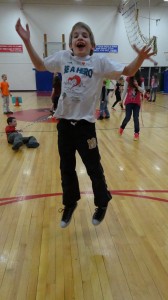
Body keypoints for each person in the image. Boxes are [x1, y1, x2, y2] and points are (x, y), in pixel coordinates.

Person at [15, 18, 155, 228]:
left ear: (92, 44)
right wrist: (26, 41)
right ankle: (70, 203)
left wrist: (140, 58)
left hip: (85, 127)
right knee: (66, 168)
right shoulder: (63, 58)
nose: (80, 37)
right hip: (64, 126)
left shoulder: (99, 61)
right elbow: (39, 64)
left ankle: (102, 202)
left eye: (85, 35)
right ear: (70, 44)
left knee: (93, 167)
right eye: (75, 35)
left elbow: (127, 70)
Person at [119, 70, 145, 141]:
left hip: (137, 103)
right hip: (129, 102)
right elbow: (124, 90)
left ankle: (136, 133)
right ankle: (122, 127)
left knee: (136, 118)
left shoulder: (141, 80)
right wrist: (121, 100)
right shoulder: (128, 79)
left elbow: (143, 90)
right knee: (127, 117)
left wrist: (137, 86)